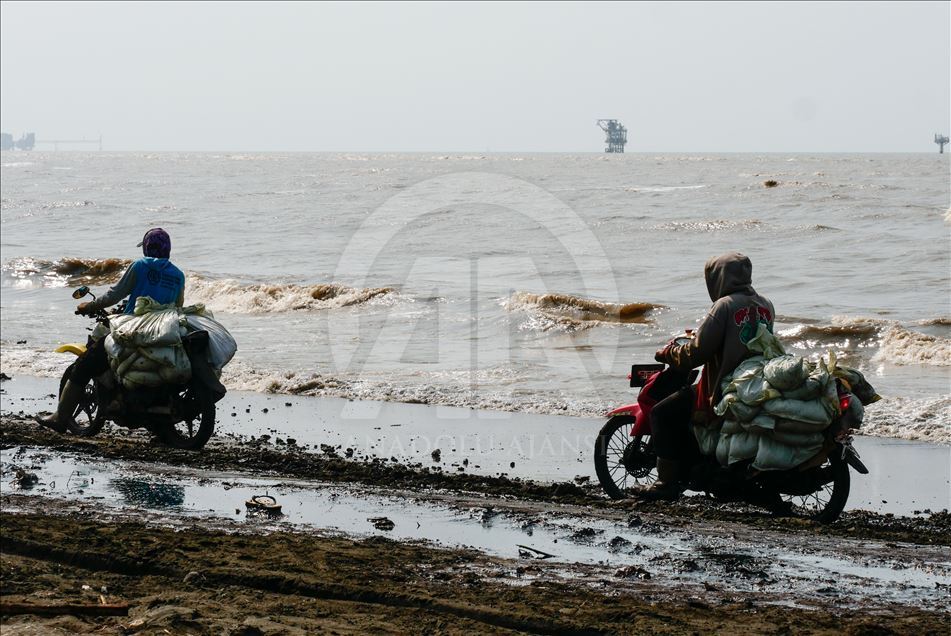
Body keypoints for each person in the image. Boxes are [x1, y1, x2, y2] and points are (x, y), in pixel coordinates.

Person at [637, 252, 775, 500]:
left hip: (721, 387)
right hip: (755, 384)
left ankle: (665, 483)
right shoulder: (766, 304)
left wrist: (670, 353)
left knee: (661, 413)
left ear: (718, 277)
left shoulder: (724, 306)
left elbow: (697, 353)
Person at [37, 228, 185, 433]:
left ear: (147, 248)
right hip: (162, 332)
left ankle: (61, 417)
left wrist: (89, 306)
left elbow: (114, 295)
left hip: (132, 329)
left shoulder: (140, 265)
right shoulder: (178, 275)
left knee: (84, 365)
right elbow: (176, 308)